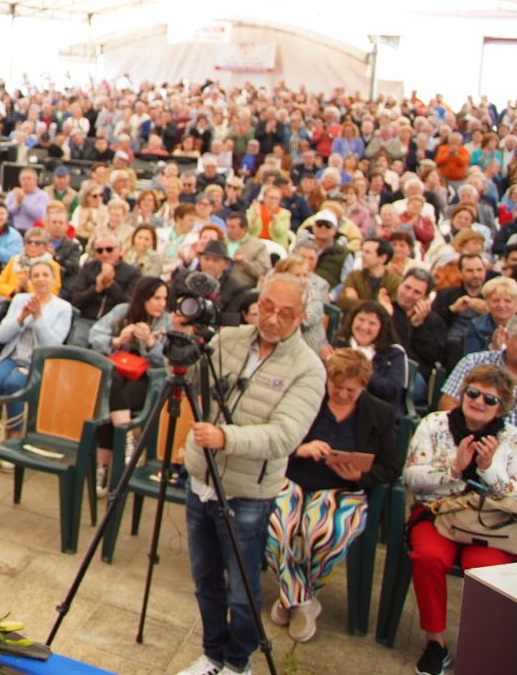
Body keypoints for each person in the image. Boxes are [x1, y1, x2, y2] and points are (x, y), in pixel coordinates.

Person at [174, 273, 325, 675]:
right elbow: (193, 384)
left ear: (302, 317)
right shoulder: (229, 339)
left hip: (247, 492)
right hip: (201, 479)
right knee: (205, 581)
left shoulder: (308, 368)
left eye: (285, 313)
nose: (272, 318)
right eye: (267, 306)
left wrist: (226, 437)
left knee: (242, 591)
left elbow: (284, 436)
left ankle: (237, 663)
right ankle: (212, 654)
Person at [263, 349, 400, 643]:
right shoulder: (307, 400)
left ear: (364, 387)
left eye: (352, 390)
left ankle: (292, 597)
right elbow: (274, 437)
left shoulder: (380, 414)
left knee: (325, 532)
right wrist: (301, 448)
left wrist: (360, 476)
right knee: (275, 526)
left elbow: (390, 467)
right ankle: (302, 601)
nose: (342, 394)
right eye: (336, 387)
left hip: (342, 488)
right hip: (295, 477)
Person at [403, 364, 517, 675]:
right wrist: (454, 468)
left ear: (501, 408)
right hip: (436, 512)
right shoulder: (434, 423)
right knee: (427, 557)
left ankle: (480, 649)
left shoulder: (511, 439)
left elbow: (514, 494)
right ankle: (435, 644)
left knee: (489, 573)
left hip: (490, 523)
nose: (479, 401)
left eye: (490, 399)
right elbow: (410, 477)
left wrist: (489, 468)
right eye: (473, 393)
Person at [89, 274, 169, 493]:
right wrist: (118, 340)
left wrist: (150, 343)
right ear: (143, 298)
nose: (161, 304)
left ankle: (103, 467)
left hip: (146, 378)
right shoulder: (122, 311)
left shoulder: (165, 321)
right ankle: (124, 436)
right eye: (156, 298)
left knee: (110, 402)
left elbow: (167, 361)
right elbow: (95, 335)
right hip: (118, 372)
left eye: (164, 299)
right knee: (111, 386)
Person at [0, 260, 72, 428]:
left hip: (37, 361)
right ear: (30, 279)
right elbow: (1, 336)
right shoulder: (20, 300)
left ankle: (14, 432)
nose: (41, 279)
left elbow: (53, 345)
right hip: (13, 355)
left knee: (13, 383)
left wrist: (38, 319)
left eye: (45, 275)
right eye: (36, 275)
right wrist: (20, 319)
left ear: (53, 279)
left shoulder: (63, 308)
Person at [326, 301, 409, 411]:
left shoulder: (394, 353)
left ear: (382, 327)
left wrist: (360, 368)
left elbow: (390, 391)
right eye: (360, 320)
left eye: (372, 323)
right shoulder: (338, 344)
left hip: (377, 413)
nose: (364, 327)